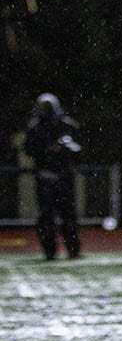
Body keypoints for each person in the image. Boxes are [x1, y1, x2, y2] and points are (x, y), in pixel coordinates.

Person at [23, 93, 82, 260]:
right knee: (46, 216)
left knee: (67, 215)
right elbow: (29, 149)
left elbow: (78, 151)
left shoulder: (66, 125)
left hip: (64, 176)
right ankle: (50, 251)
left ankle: (73, 249)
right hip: (45, 176)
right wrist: (47, 150)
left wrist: (66, 149)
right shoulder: (35, 127)